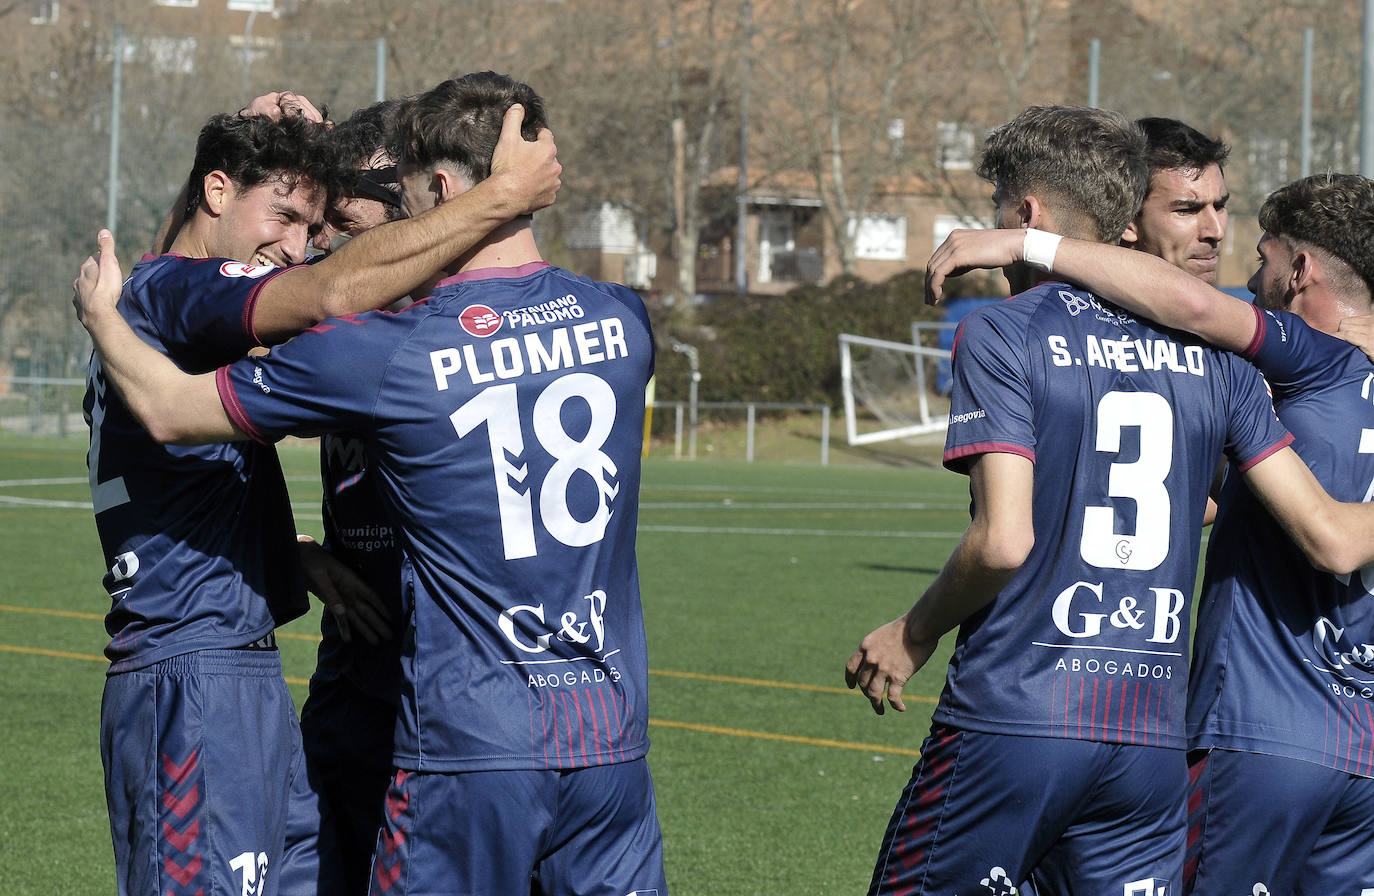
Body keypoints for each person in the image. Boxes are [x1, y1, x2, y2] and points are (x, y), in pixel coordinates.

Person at [74, 71, 667, 896]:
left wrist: (288, 552)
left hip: (417, 718)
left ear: (433, 188)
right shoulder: (623, 317)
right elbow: (320, 296)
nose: (304, 247)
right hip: (587, 729)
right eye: (289, 219)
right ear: (216, 188)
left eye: (326, 226)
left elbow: (213, 393)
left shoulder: (391, 351)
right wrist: (502, 199)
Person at [844, 105, 1374, 896]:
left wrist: (914, 631)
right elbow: (1301, 521)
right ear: (1131, 221)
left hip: (1023, 713)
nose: (1217, 237)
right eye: (1191, 210)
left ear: (1026, 213)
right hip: (1153, 744)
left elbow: (1003, 541)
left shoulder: (1005, 332)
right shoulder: (1222, 368)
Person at [1123, 117, 1231, 284]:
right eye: (1187, 210)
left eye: (1219, 206)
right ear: (1127, 223)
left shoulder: (1243, 307)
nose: (1217, 232)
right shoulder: (1079, 307)